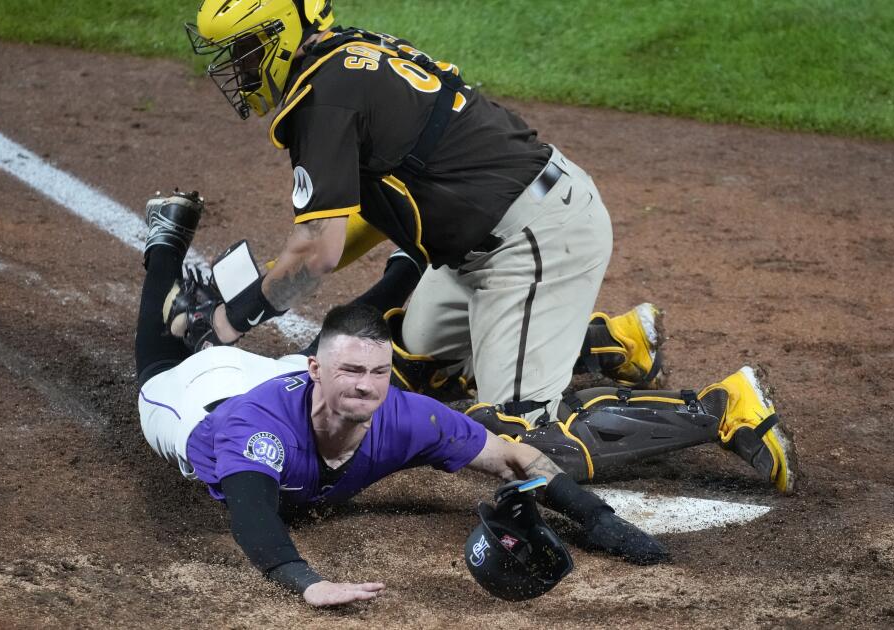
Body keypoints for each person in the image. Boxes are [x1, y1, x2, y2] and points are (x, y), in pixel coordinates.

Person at [135, 192, 669, 607]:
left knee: (358, 332)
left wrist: (597, 518)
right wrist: (306, 582)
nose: (368, 386)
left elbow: (513, 456)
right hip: (199, 396)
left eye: (379, 375)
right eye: (350, 374)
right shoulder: (255, 433)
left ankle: (410, 257)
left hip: (290, 375)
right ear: (318, 373)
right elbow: (253, 516)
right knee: (158, 365)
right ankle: (166, 241)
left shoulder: (403, 416)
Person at [176, 0, 681, 431]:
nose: (239, 69)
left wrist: (232, 317)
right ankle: (613, 344)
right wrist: (267, 281)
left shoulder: (323, 102)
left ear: (282, 36)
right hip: (486, 244)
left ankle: (723, 412)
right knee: (414, 369)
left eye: (246, 50)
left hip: (534, 241)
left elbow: (318, 252)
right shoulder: (348, 54)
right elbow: (371, 213)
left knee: (516, 435)